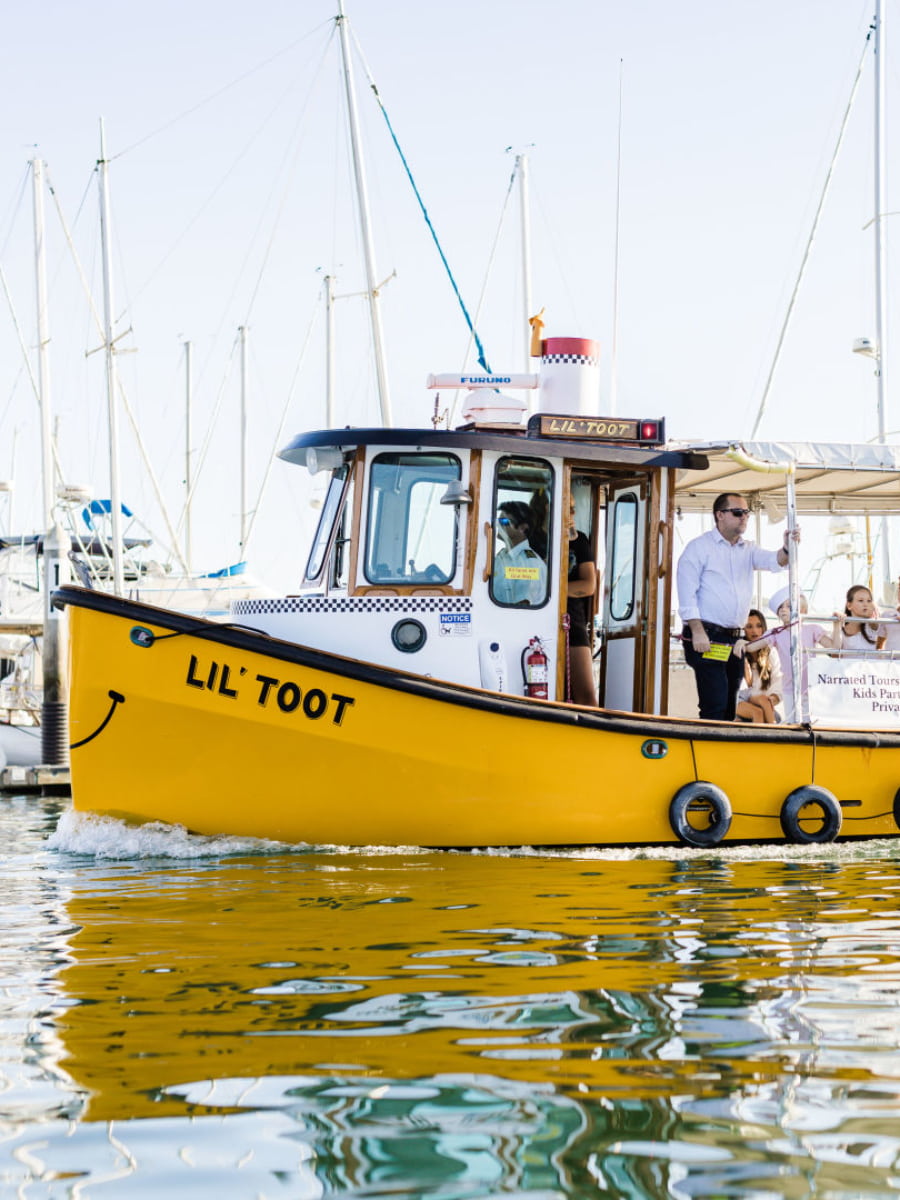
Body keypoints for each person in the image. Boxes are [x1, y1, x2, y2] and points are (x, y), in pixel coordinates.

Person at [676, 492, 797, 721]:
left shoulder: (748, 549)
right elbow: (686, 593)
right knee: (715, 702)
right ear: (719, 515)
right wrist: (697, 631)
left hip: (735, 638)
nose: (744, 517)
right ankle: (710, 743)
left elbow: (775, 561)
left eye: (746, 513)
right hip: (707, 634)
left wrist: (787, 547)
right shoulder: (699, 548)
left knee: (729, 705)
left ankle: (722, 742)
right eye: (738, 512)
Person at [753, 586, 832, 722]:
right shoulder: (776, 633)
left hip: (811, 686)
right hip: (789, 687)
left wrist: (837, 625)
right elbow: (754, 646)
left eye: (789, 606)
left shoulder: (812, 629)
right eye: (781, 607)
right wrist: (742, 643)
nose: (784, 609)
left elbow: (833, 647)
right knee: (793, 721)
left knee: (811, 721)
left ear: (802, 610)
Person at [565, 498, 597, 705]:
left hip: (573, 621)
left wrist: (549, 592)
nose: (572, 513)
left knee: (586, 696)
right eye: (568, 508)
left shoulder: (579, 541)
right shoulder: (534, 538)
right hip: (535, 618)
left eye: (573, 508)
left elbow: (588, 585)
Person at [492, 501, 547, 607]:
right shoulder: (503, 556)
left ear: (523, 528)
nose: (498, 524)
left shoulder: (529, 564)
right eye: (498, 520)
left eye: (504, 521)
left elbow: (520, 609)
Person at [736, 608, 783, 723]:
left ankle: (773, 731)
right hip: (739, 701)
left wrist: (772, 699)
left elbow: (778, 681)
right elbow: (740, 689)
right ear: (743, 630)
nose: (754, 631)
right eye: (749, 626)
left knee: (767, 708)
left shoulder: (770, 652)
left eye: (759, 626)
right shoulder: (739, 649)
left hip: (761, 703)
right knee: (757, 712)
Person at [831, 584, 885, 652]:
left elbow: (876, 614)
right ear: (849, 605)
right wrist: (837, 623)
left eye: (869, 601)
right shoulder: (841, 631)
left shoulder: (873, 628)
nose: (865, 604)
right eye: (861, 600)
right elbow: (835, 654)